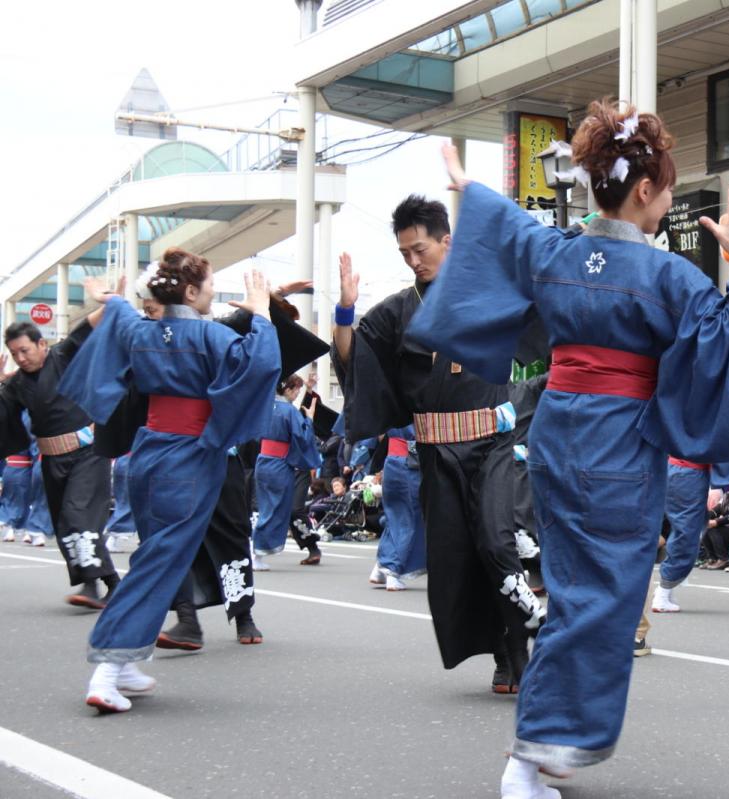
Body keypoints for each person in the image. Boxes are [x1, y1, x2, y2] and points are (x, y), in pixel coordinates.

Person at [406, 101, 729, 799]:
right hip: (616, 441)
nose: (669, 199)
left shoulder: (556, 251)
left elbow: (502, 225)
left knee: (580, 586)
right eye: (668, 187)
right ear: (644, 190)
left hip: (556, 430)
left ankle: (553, 742)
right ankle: (532, 749)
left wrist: (464, 187)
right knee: (599, 597)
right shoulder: (667, 275)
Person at [332, 195, 543, 695]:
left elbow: (541, 312)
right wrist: (344, 307)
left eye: (420, 248)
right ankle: (499, 652)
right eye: (404, 252)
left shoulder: (488, 292)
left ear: (448, 242)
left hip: (492, 445)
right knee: (458, 559)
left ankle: (521, 651)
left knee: (496, 544)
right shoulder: (397, 311)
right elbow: (352, 357)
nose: (413, 259)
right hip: (434, 453)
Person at [57, 248, 280, 713]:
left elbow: (119, 315)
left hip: (148, 452)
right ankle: (108, 667)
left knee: (156, 555)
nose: (215, 292)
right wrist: (261, 313)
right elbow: (258, 365)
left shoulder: (141, 330)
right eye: (212, 285)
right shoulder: (210, 336)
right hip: (190, 457)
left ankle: (129, 660)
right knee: (161, 562)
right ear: (192, 291)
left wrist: (108, 298)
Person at [1, 307, 121, 608]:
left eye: (25, 350)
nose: (21, 358)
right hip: (51, 460)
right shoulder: (15, 385)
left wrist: (109, 300)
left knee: (77, 514)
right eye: (15, 354)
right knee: (66, 524)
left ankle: (91, 585)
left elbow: (87, 325)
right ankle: (112, 583)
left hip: (88, 454)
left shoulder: (62, 355)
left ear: (42, 344)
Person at [651, 459, 729, 612]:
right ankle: (664, 590)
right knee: (687, 532)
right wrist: (716, 484)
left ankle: (666, 590)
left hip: (672, 468)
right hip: (689, 472)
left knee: (684, 528)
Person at [252, 375, 321, 569]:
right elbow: (302, 436)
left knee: (265, 507)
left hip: (263, 460)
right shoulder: (288, 411)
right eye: (297, 389)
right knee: (276, 508)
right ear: (288, 389)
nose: (298, 392)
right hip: (279, 464)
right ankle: (258, 550)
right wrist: (309, 420)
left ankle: (257, 549)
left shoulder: (265, 407)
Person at [370, 424, 427, 592]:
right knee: (410, 518)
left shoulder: (390, 400)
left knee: (394, 516)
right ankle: (393, 572)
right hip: (410, 463)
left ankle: (380, 567)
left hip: (392, 461)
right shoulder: (417, 401)